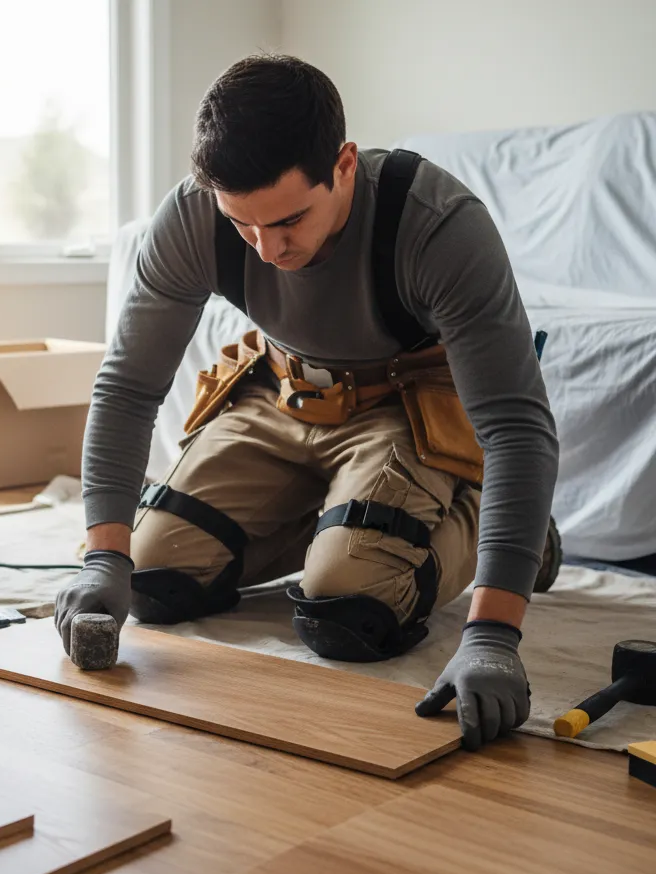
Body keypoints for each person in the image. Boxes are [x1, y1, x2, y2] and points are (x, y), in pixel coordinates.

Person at [54, 54, 559, 751]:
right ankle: (338, 522)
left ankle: (514, 539)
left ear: (345, 165)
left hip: (407, 404)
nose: (265, 249)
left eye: (289, 220)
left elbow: (516, 428)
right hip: (284, 391)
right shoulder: (194, 218)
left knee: (349, 611)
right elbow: (129, 386)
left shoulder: (439, 226)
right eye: (243, 225)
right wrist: (102, 558)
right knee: (156, 582)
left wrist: (494, 634)